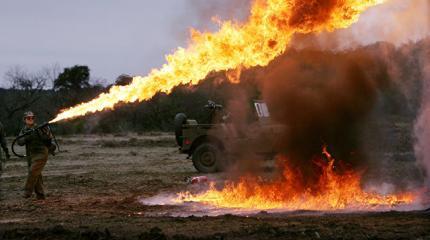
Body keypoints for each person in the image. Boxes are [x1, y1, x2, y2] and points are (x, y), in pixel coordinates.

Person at [17, 111, 54, 200]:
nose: (30, 119)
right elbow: (19, 142)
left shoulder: (40, 128)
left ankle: (27, 191)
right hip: (31, 155)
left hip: (41, 153)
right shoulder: (24, 130)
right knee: (37, 175)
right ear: (24, 119)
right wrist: (28, 136)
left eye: (32, 118)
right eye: (28, 118)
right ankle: (40, 195)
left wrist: (45, 133)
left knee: (33, 171)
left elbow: (48, 139)